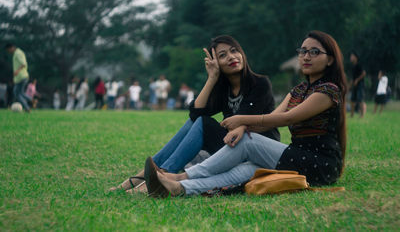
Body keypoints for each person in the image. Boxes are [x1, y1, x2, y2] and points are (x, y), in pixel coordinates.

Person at [144, 30, 348, 197]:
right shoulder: (298, 91)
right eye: (303, 51)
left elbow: (286, 118)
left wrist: (242, 121)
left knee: (247, 141)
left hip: (320, 165)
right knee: (246, 171)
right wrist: (242, 125)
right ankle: (180, 189)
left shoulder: (328, 90)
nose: (306, 56)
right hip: (294, 157)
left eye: (314, 52)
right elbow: (268, 123)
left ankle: (179, 177)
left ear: (330, 60)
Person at [109, 35, 280, 193]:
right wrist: (212, 78)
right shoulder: (224, 90)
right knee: (197, 121)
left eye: (234, 51)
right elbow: (194, 113)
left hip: (257, 152)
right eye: (222, 55)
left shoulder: (260, 83)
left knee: (204, 123)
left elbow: (240, 120)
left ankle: (163, 176)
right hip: (233, 147)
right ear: (217, 63)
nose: (231, 57)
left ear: (242, 53)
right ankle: (147, 174)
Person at [5, 43, 31, 112]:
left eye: (8, 50)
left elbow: (23, 63)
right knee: (21, 93)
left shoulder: (18, 53)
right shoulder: (18, 53)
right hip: (21, 77)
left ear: (11, 48)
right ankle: (32, 100)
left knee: (16, 93)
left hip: (21, 76)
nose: (9, 52)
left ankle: (27, 108)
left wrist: (17, 71)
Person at [350, 51, 366, 118]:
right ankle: (352, 115)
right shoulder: (353, 66)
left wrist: (357, 80)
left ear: (355, 57)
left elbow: (364, 73)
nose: (350, 58)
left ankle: (362, 115)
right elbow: (353, 78)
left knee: (360, 100)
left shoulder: (359, 65)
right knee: (352, 100)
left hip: (360, 85)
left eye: (352, 56)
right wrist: (350, 84)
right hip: (355, 85)